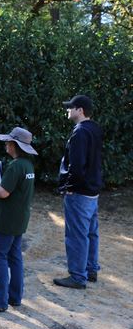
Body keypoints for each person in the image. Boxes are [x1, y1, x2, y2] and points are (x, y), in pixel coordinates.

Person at [0, 127, 36, 313]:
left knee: (0, 256)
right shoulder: (28, 166)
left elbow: (3, 192)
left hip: (8, 219)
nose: (6, 144)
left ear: (14, 145)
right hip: (20, 218)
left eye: (8, 142)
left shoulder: (15, 166)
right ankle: (14, 297)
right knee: (15, 256)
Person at [54, 95, 103, 290]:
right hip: (92, 191)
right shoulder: (95, 129)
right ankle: (90, 270)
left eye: (70, 107)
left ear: (80, 110)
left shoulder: (80, 132)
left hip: (79, 193)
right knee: (91, 233)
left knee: (77, 235)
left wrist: (68, 187)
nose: (68, 110)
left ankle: (77, 277)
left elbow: (76, 166)